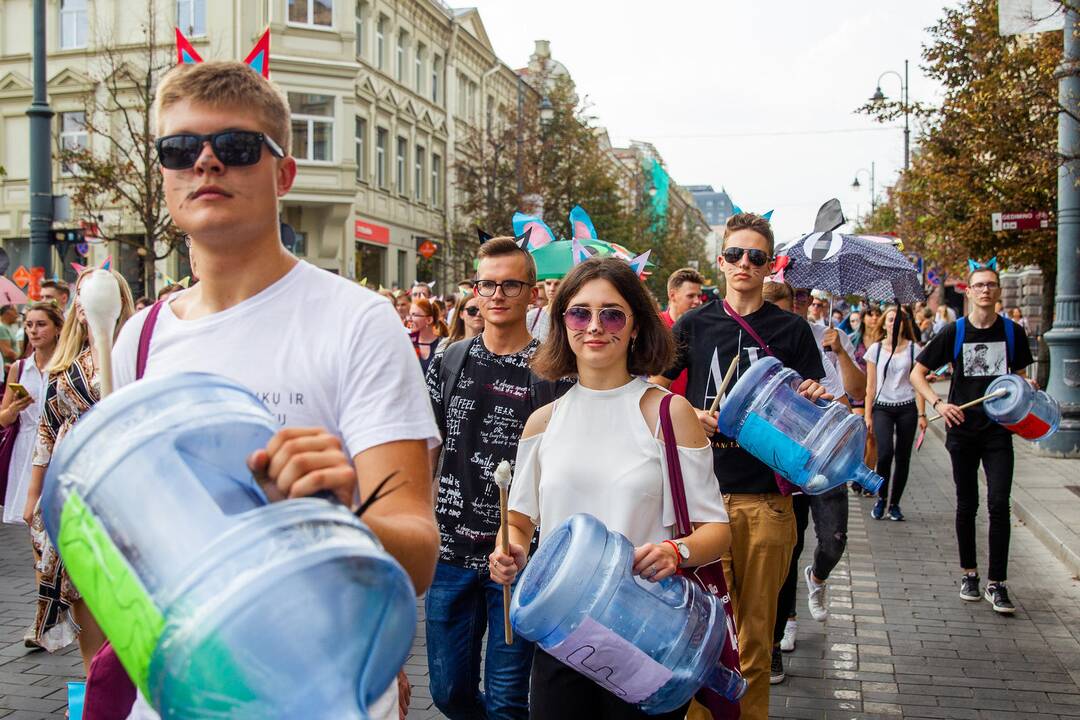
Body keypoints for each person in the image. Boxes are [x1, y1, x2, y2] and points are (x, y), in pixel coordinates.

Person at [106, 59, 440, 719]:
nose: (205, 163)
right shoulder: (137, 339)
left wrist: (335, 514)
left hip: (320, 695)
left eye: (235, 147)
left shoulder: (357, 322)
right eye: (179, 149)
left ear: (283, 172)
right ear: (164, 174)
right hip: (178, 694)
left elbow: (419, 550)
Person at [490, 256, 730, 720]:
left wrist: (675, 552)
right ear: (563, 324)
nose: (595, 326)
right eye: (580, 313)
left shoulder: (669, 414)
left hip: (645, 634)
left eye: (612, 314)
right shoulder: (544, 422)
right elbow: (518, 520)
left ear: (635, 326)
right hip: (560, 635)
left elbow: (716, 530)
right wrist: (510, 550)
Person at [650, 212, 827, 720]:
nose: (743, 264)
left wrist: (813, 397)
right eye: (734, 254)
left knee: (753, 637)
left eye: (755, 256)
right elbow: (656, 386)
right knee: (704, 635)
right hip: (703, 500)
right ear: (720, 261)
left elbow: (811, 407)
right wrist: (688, 413)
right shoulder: (695, 323)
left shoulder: (792, 329)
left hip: (767, 501)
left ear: (769, 265)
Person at [424, 237, 558, 720]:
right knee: (447, 691)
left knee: (506, 700)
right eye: (487, 284)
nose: (497, 294)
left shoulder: (553, 369)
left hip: (520, 556)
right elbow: (427, 446)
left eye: (510, 284)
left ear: (532, 293)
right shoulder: (450, 359)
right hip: (450, 552)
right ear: (475, 290)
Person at [23, 269, 134, 671]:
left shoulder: (137, 357)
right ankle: (93, 676)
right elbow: (46, 432)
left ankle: (125, 672)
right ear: (78, 310)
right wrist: (33, 495)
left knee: (119, 573)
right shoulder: (65, 364)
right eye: (83, 302)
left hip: (121, 483)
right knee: (78, 579)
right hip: (71, 485)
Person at [911, 263, 1034, 615]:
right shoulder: (955, 332)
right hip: (963, 431)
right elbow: (917, 373)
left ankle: (998, 582)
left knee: (999, 503)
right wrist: (938, 403)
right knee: (968, 504)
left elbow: (1020, 379)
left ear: (998, 292)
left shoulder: (1013, 333)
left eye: (991, 285)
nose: (985, 291)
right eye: (978, 285)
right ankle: (970, 574)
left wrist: (1027, 390)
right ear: (968, 291)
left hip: (998, 432)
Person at [763, 281, 855, 679]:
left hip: (825, 458)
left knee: (833, 540)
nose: (802, 306)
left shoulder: (822, 337)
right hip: (786, 462)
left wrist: (840, 352)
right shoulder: (764, 341)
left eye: (805, 299)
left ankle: (816, 578)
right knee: (789, 547)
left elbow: (850, 395)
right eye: (793, 301)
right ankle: (783, 627)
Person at [1, 302, 63, 525]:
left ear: (57, 328)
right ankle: (39, 562)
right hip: (26, 447)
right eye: (29, 325)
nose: (34, 331)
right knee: (30, 519)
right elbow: (3, 418)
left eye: (41, 324)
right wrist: (14, 409)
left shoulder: (68, 365)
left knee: (56, 517)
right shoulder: (20, 368)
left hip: (58, 446)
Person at [865, 306, 926, 522]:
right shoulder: (875, 350)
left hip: (907, 406)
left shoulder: (914, 349)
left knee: (903, 457)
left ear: (904, 324)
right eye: (890, 319)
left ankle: (895, 504)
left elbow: (918, 383)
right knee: (885, 454)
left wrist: (922, 414)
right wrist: (868, 415)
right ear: (884, 323)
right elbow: (870, 386)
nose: (894, 323)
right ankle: (881, 498)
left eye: (898, 319)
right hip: (882, 406)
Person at [659, 267, 704, 397]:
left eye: (699, 296)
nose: (697, 301)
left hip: (696, 411)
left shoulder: (703, 329)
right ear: (672, 295)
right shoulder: (654, 327)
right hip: (662, 410)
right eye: (691, 296)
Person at [410, 297, 448, 374]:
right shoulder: (407, 343)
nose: (409, 319)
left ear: (429, 320)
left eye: (414, 315)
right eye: (410, 314)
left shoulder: (445, 344)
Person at [525, 277, 562, 341]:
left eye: (557, 284)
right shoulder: (532, 315)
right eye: (548, 283)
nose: (552, 289)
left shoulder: (571, 315)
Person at [0, 305, 21, 370]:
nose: (17, 316)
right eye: (15, 312)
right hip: (7, 368)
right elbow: (6, 352)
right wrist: (22, 360)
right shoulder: (1, 328)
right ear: (8, 313)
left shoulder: (8, 327)